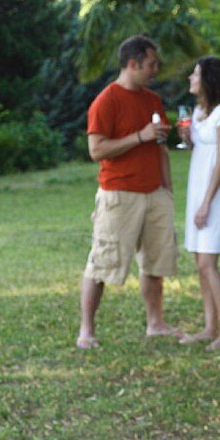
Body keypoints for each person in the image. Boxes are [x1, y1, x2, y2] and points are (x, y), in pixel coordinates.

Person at [76, 35, 180, 349]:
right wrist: (140, 135)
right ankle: (86, 330)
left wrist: (167, 188)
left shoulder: (152, 100)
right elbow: (96, 150)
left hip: (155, 194)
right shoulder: (106, 101)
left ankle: (155, 323)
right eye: (151, 64)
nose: (156, 70)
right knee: (101, 263)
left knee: (154, 262)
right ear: (132, 64)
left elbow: (160, 146)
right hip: (119, 195)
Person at [179, 56, 220, 351]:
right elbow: (200, 148)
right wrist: (186, 139)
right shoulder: (200, 111)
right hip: (198, 192)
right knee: (199, 264)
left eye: (195, 74)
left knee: (208, 263)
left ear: (208, 79)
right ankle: (209, 326)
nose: (190, 78)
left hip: (213, 196)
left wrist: (206, 203)